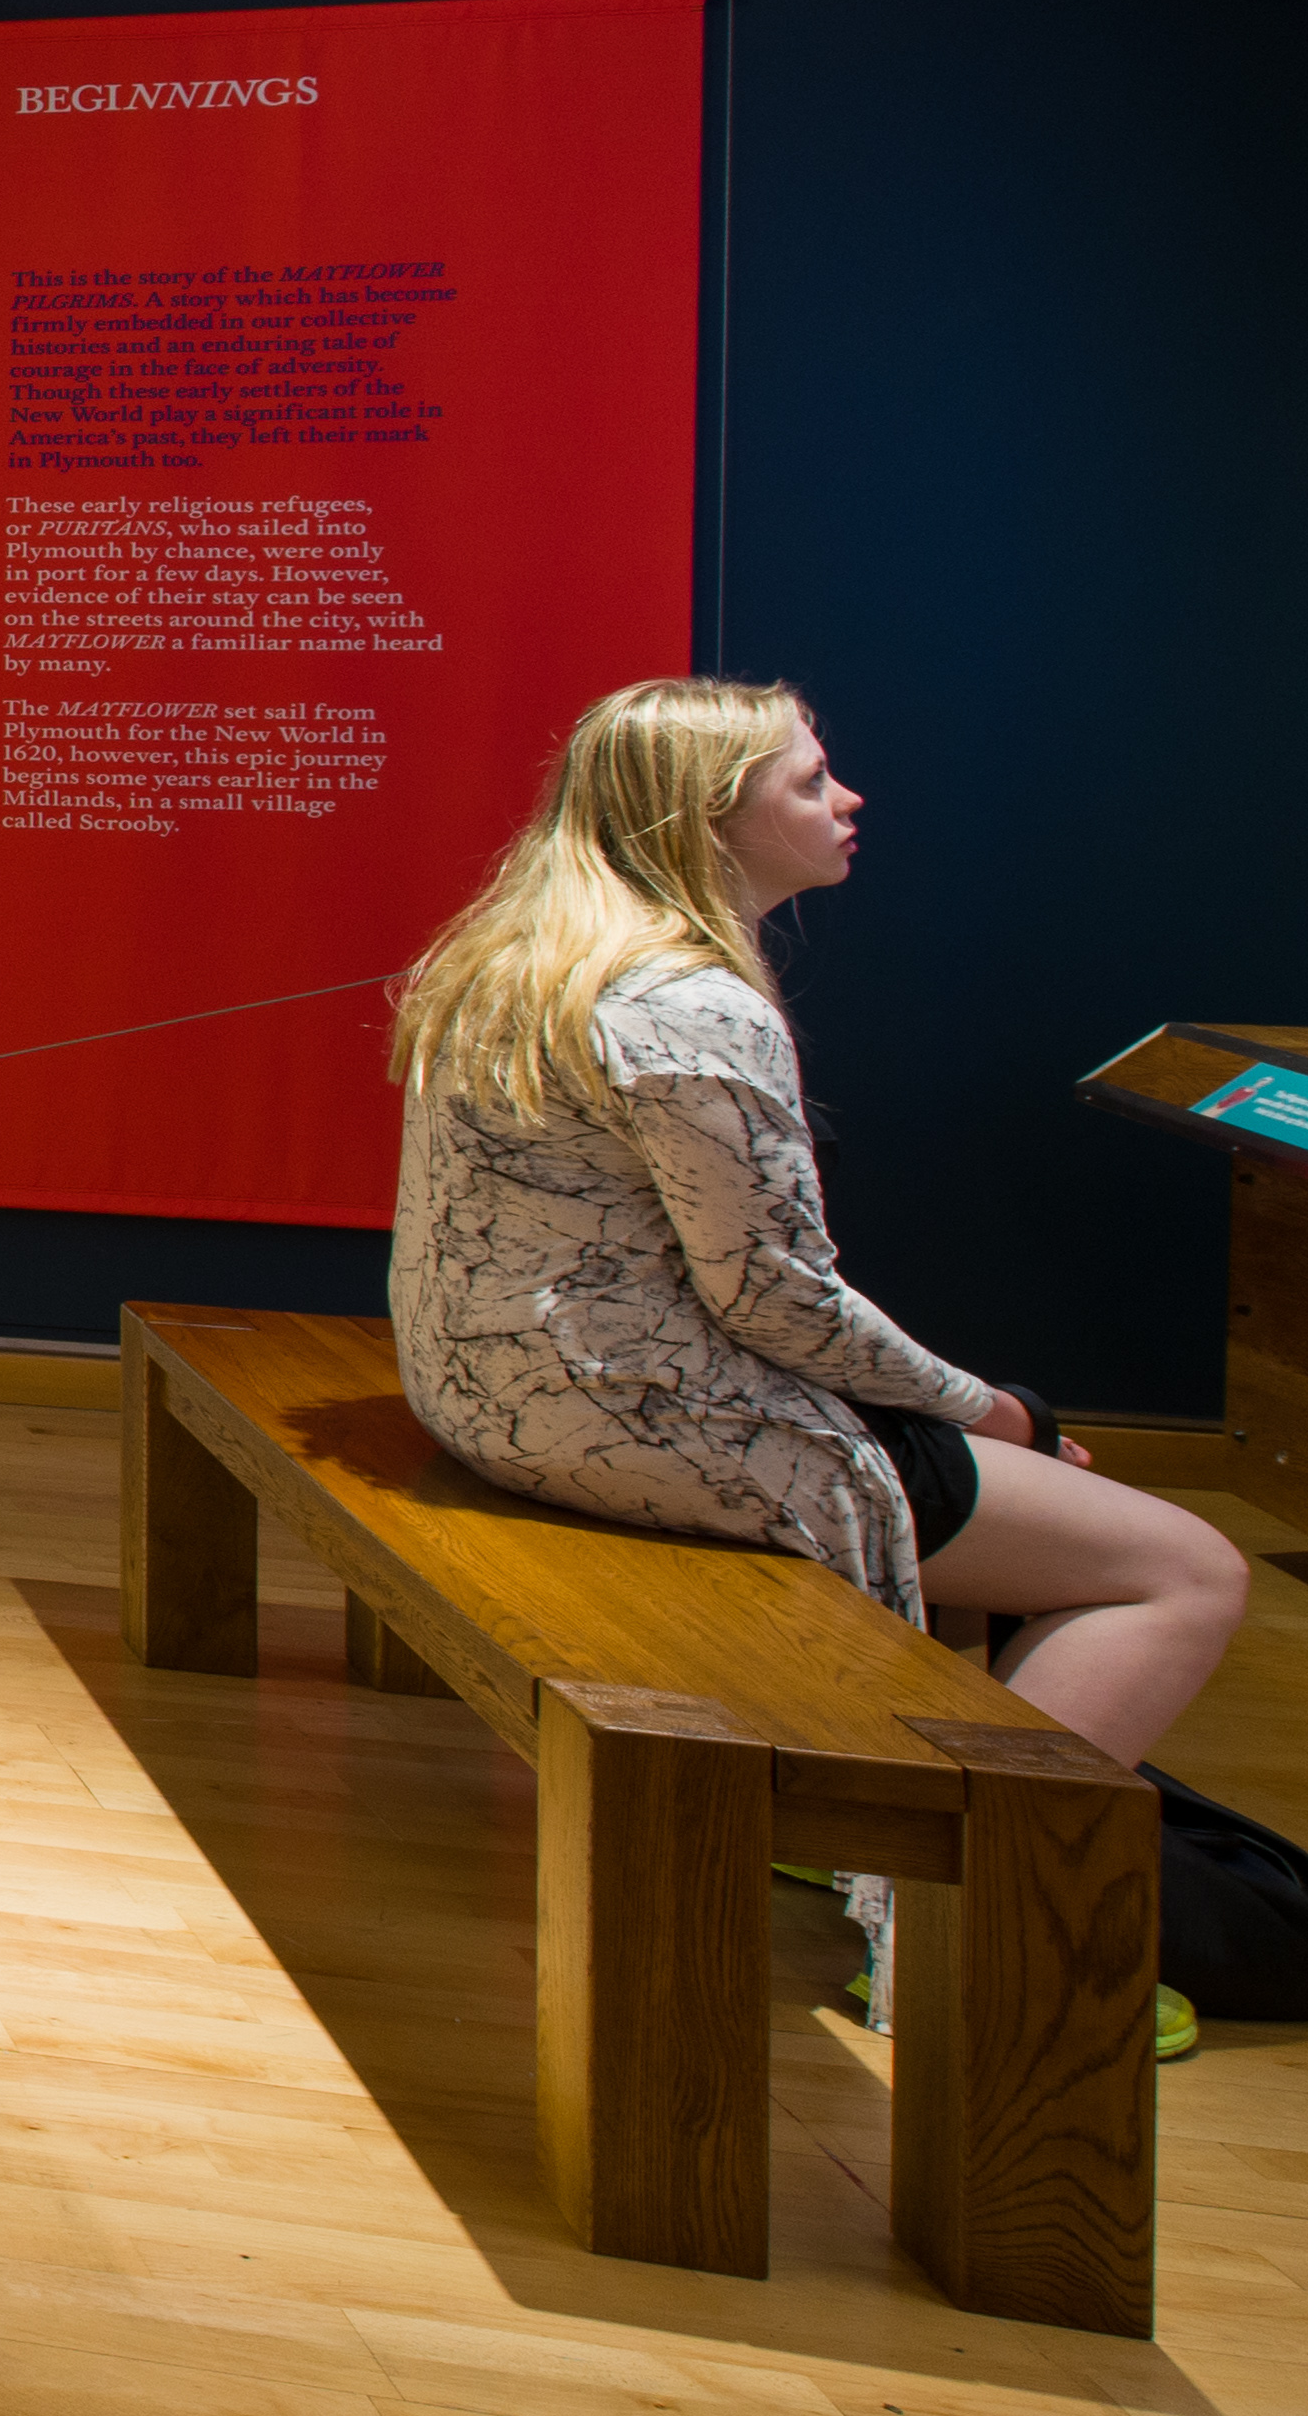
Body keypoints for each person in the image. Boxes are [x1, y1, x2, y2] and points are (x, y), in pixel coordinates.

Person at [386, 679, 1256, 1850]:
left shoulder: (510, 961)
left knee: (1019, 1472)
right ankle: (956, 1900)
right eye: (807, 779)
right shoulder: (689, 1003)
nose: (847, 796)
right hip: (619, 1416)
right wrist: (988, 1410)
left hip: (491, 1393)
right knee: (1185, 1568)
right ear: (705, 821)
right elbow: (773, 1297)